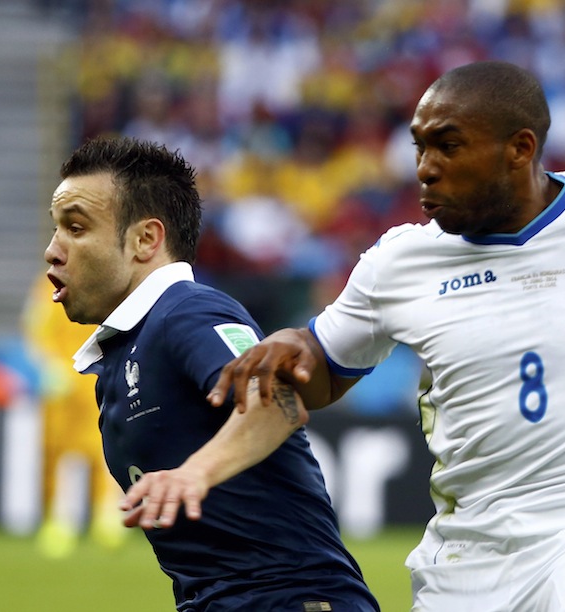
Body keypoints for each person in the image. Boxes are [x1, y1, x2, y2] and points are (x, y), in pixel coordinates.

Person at [122, 60, 565, 611]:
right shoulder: (401, 262)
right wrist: (294, 349)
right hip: (467, 561)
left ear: (520, 149)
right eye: (420, 147)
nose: (425, 168)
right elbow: (320, 371)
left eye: (448, 146)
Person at [44, 136, 379, 611]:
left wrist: (194, 474)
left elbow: (276, 403)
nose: (52, 251)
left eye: (76, 228)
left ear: (146, 240)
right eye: (56, 229)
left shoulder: (188, 312)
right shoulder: (124, 352)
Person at [21, 278, 126, 558]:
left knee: (103, 445)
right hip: (62, 382)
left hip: (95, 378)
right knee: (57, 450)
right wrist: (48, 365)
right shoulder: (46, 288)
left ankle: (107, 516)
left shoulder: (104, 281)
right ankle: (59, 520)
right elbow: (34, 329)